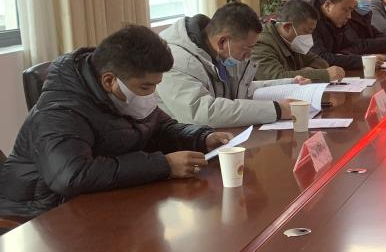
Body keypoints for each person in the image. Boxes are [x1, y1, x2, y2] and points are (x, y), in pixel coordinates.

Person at [0, 25, 231, 220]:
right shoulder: (59, 112)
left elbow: (161, 129)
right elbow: (72, 175)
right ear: (110, 80)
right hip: (40, 215)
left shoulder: (120, 95)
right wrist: (164, 165)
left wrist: (202, 137)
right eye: (146, 86)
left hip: (99, 203)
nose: (151, 94)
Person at [158, 2, 302, 127]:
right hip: (180, 144)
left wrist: (290, 83)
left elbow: (244, 88)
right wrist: (277, 110)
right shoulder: (174, 61)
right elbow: (202, 112)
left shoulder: (222, 53)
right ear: (222, 42)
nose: (249, 55)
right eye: (247, 48)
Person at [251, 0, 347, 83]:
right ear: (287, 27)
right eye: (307, 31)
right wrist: (324, 75)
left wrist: (309, 71)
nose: (310, 36)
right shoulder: (260, 42)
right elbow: (276, 78)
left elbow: (320, 62)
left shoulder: (292, 42)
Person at [310, 0, 386, 71]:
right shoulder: (309, 22)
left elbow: (354, 45)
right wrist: (362, 61)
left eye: (351, 11)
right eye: (346, 10)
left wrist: (342, 56)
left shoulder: (338, 21)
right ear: (328, 5)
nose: (349, 16)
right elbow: (320, 59)